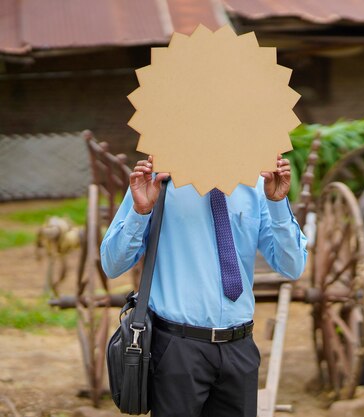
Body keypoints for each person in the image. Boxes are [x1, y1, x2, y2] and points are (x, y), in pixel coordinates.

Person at [101, 154, 307, 417]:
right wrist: (141, 211)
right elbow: (112, 264)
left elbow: (292, 266)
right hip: (177, 349)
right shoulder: (158, 181)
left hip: (239, 348)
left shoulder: (258, 184)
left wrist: (277, 203)